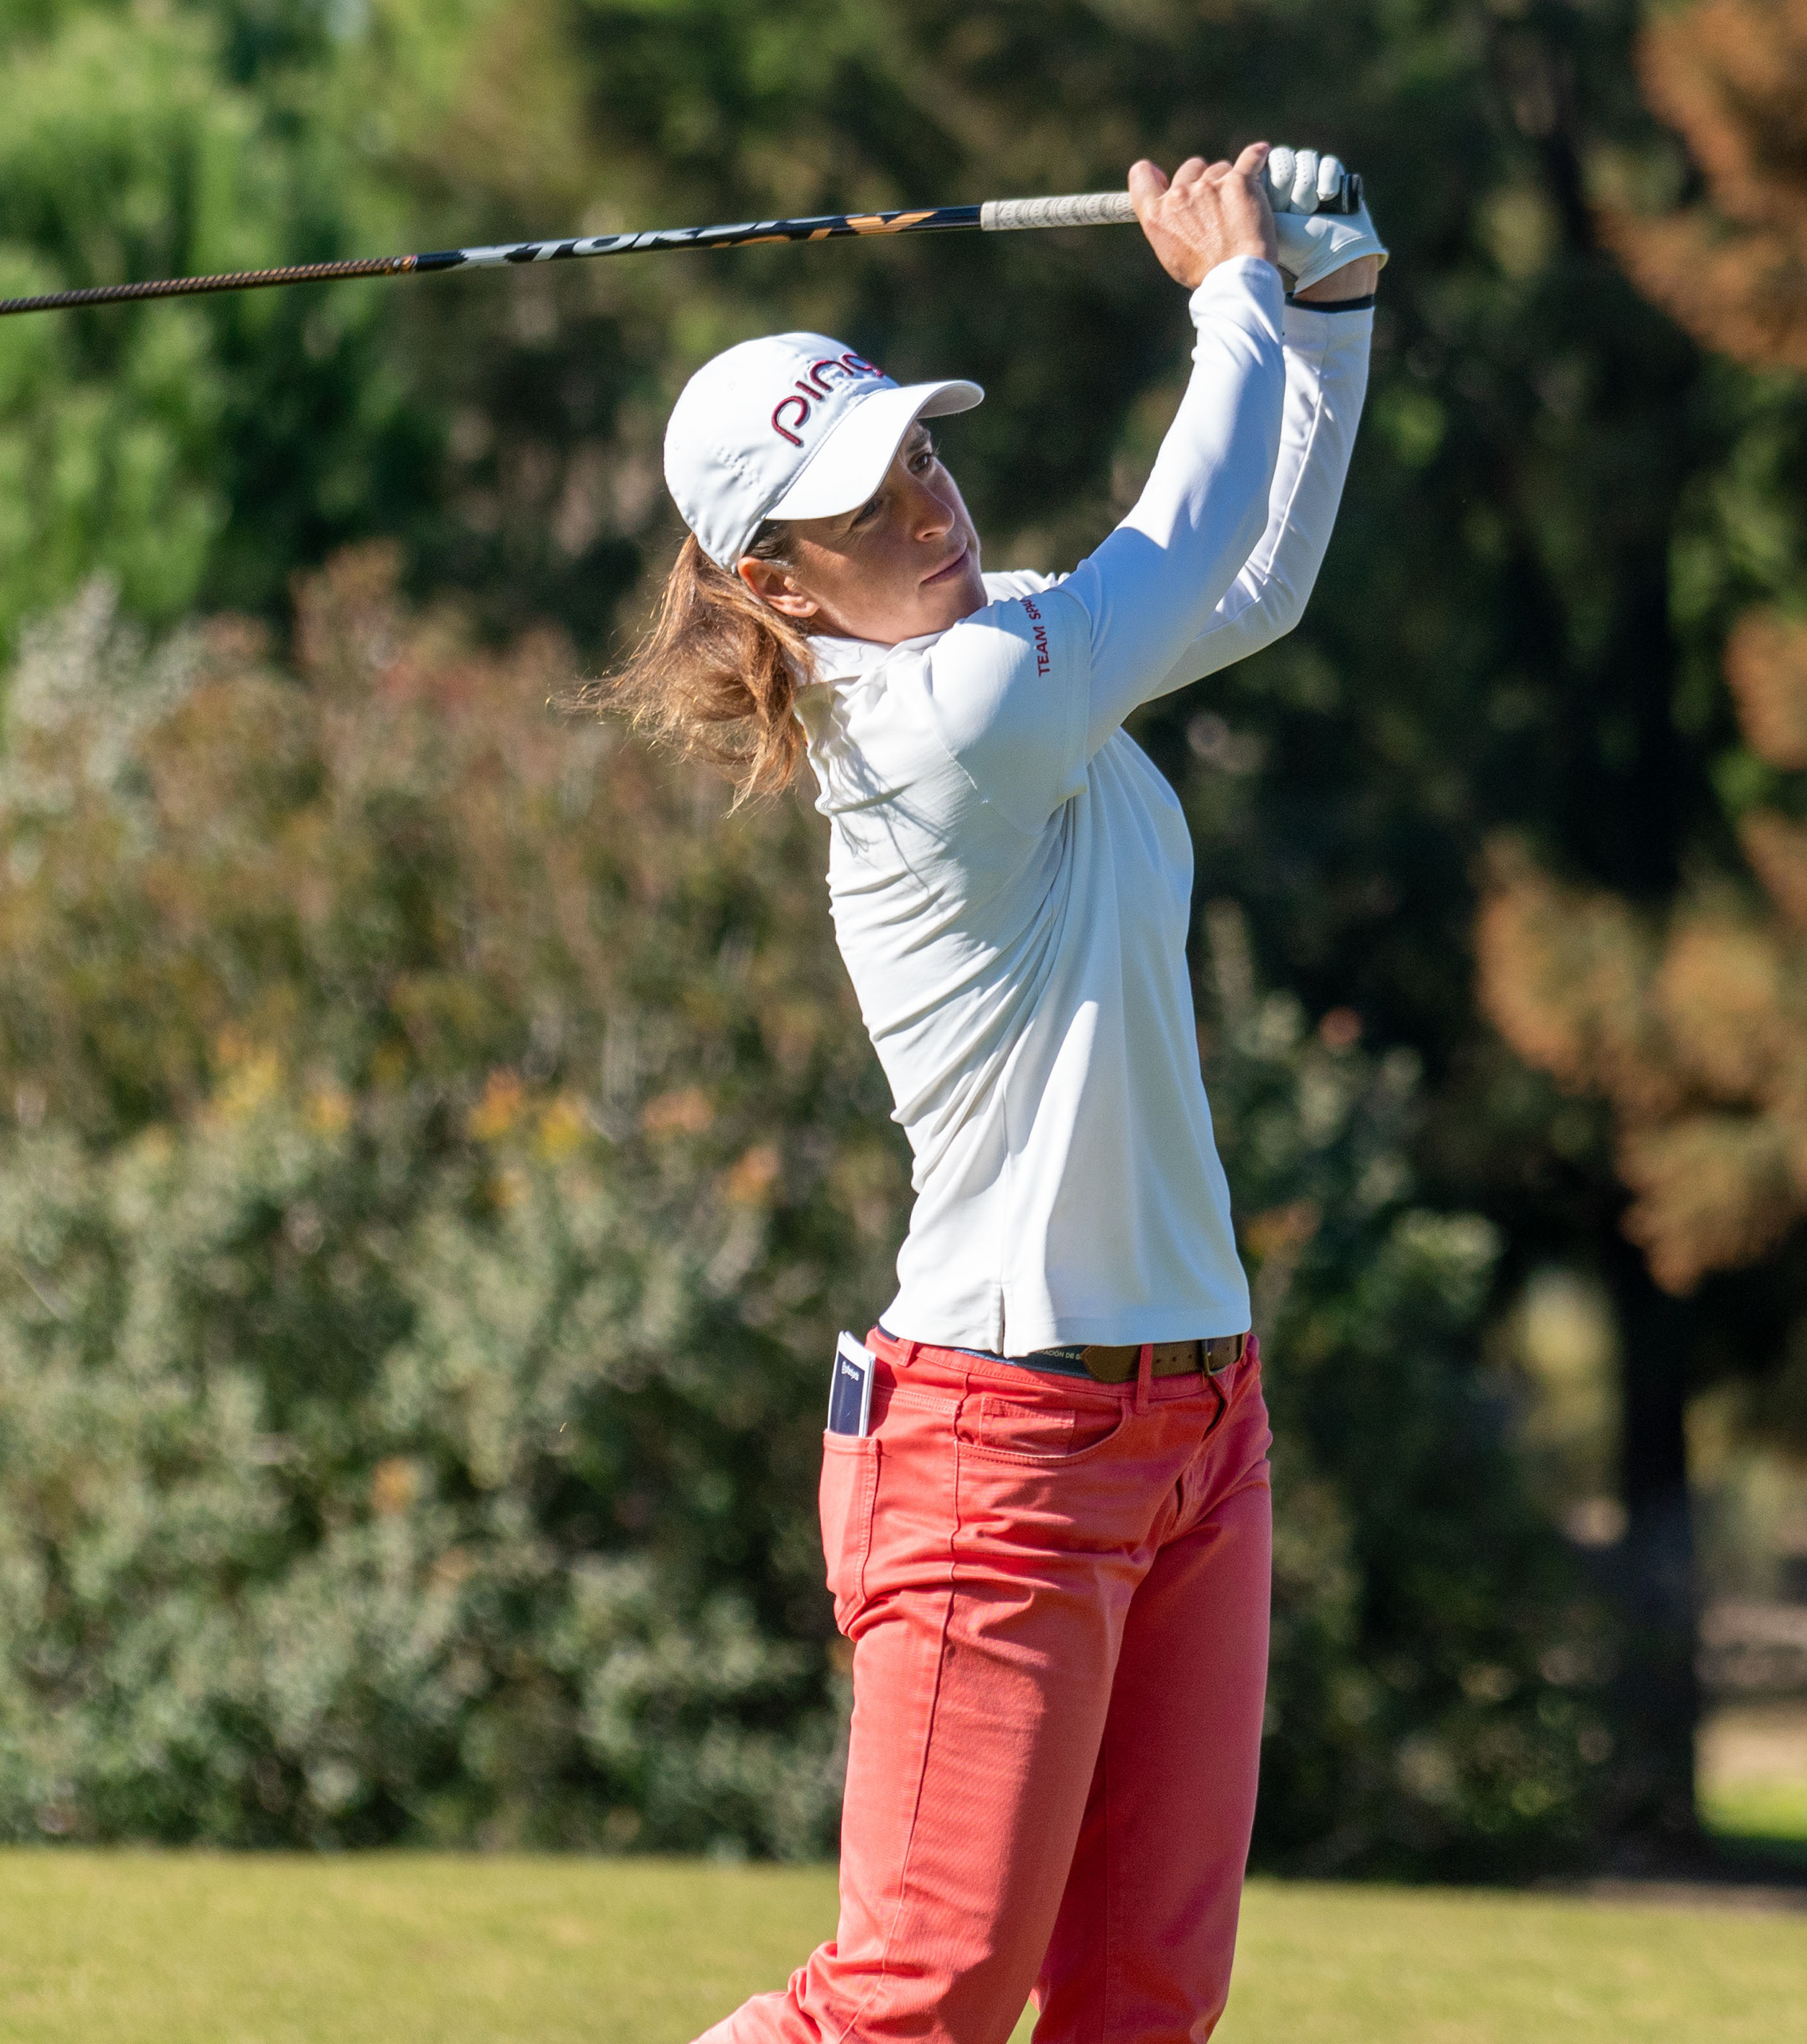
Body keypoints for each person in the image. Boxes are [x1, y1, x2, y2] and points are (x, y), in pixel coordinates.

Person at [600, 141, 1381, 2044]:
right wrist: (1235, 293)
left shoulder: (1009, 648)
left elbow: (1253, 583)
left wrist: (1332, 311)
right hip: (1003, 1443)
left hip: (1201, 1419)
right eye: (862, 506)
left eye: (917, 458)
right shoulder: (944, 717)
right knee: (914, 1997)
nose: (923, 504)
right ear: (776, 581)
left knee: (1141, 2001)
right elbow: (1181, 548)